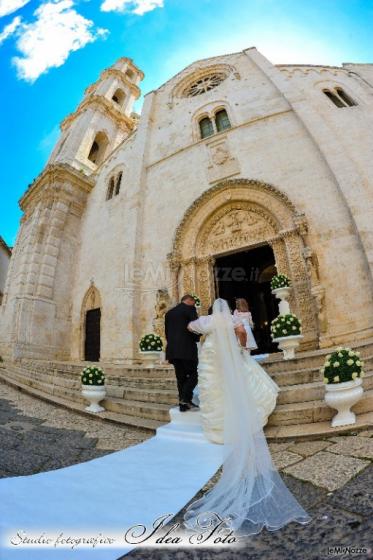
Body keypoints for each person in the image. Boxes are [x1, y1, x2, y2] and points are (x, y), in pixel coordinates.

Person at [184, 298, 311, 534]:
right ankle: (244, 417)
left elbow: (190, 326)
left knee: (215, 394)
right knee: (239, 388)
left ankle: (218, 430)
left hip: (212, 362)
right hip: (229, 357)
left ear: (212, 310)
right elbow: (242, 331)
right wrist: (241, 346)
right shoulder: (232, 319)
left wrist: (201, 326)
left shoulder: (208, 321)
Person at [164, 294, 201, 412]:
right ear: (190, 300)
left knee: (181, 377)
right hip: (187, 348)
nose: (194, 305)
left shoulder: (169, 313)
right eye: (193, 303)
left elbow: (167, 332)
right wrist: (198, 336)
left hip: (173, 350)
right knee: (195, 374)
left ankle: (183, 404)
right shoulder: (190, 309)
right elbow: (195, 327)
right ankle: (185, 398)